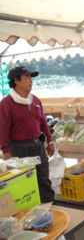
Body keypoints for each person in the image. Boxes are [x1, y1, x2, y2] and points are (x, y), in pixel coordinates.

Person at [0, 66, 55, 203]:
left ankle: (50, 206)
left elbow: (43, 123)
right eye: (27, 77)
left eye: (31, 77)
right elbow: (3, 129)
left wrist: (50, 141)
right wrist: (5, 151)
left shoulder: (35, 100)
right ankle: (29, 210)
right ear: (16, 81)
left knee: (44, 179)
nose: (31, 80)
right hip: (19, 148)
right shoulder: (6, 103)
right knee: (24, 181)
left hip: (38, 145)